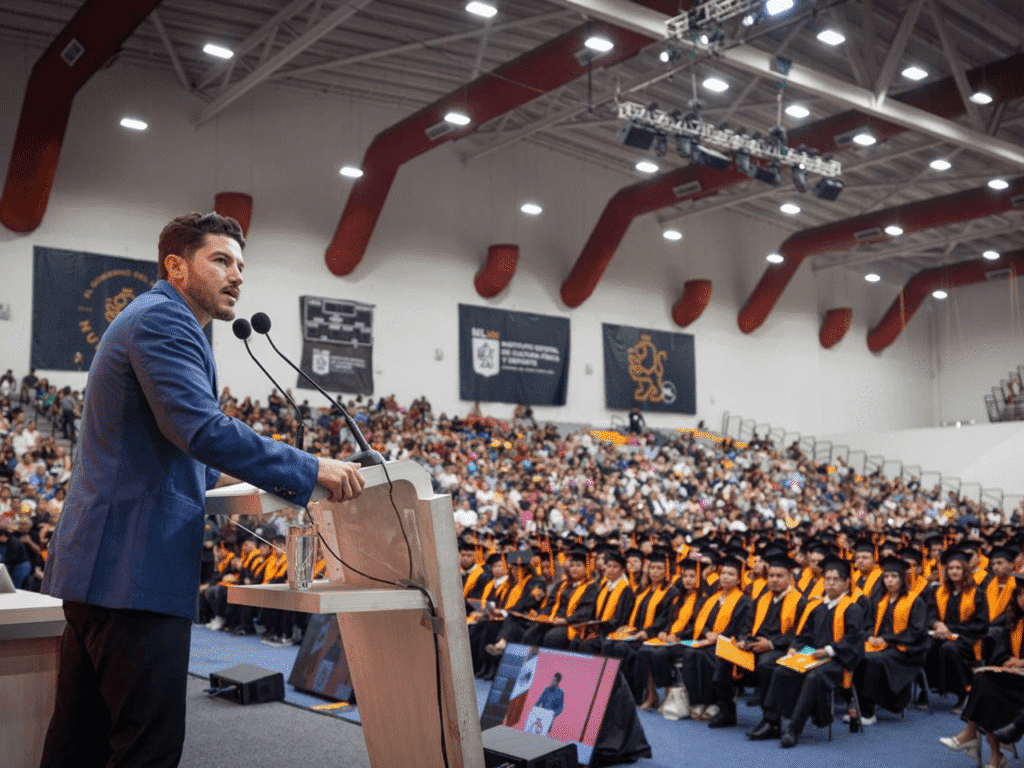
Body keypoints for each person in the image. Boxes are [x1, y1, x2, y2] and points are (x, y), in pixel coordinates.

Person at [38, 212, 365, 768]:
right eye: (221, 260)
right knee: (146, 749)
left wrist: (260, 476)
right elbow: (201, 431)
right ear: (176, 266)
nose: (237, 275)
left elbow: (182, 455)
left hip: (102, 570)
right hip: (133, 572)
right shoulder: (164, 319)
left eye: (241, 265)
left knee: (80, 746)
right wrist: (311, 468)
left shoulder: (152, 318)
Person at [748, 557, 866, 748]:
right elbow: (803, 634)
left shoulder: (853, 609)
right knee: (781, 670)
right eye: (828, 579)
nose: (831, 583)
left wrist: (828, 651)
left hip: (837, 661)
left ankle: (794, 728)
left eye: (836, 579)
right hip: (811, 656)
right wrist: (794, 648)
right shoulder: (816, 607)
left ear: (846, 583)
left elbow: (853, 640)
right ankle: (771, 721)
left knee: (813, 677)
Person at [941, 574, 1024, 768]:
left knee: (988, 692)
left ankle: (979, 743)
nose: (1023, 599)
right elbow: (1002, 652)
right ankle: (990, 751)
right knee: (983, 680)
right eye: (1020, 595)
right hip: (1016, 681)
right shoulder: (1014, 621)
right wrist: (1006, 662)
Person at [853, 556, 929, 722]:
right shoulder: (879, 600)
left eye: (894, 576)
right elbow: (867, 624)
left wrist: (887, 640)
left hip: (905, 651)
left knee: (873, 660)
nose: (889, 580)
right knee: (857, 654)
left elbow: (916, 632)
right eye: (886, 576)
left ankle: (868, 710)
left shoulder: (915, 601)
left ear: (902, 578)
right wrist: (870, 636)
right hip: (879, 646)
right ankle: (856, 705)